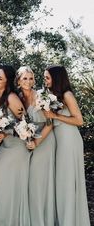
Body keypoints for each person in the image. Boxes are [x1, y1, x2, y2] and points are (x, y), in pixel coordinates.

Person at [43, 65, 90, 226]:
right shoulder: (52, 96)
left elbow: (79, 120)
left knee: (68, 180)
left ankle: (70, 221)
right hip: (58, 139)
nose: (45, 81)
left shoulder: (67, 95)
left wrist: (55, 115)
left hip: (69, 140)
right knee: (61, 180)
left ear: (56, 78)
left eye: (47, 77)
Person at [16, 66, 56, 226]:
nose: (28, 81)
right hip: (30, 141)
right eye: (24, 78)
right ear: (18, 81)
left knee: (39, 181)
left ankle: (42, 220)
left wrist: (37, 142)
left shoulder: (41, 96)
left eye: (31, 78)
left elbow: (50, 122)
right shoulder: (17, 98)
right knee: (31, 181)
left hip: (45, 140)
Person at [0, 65, 31, 226]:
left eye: (0, 78)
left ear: (7, 82)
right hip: (5, 146)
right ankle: (2, 219)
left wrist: (6, 131)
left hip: (17, 147)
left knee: (6, 181)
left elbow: (27, 123)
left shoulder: (12, 98)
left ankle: (9, 221)